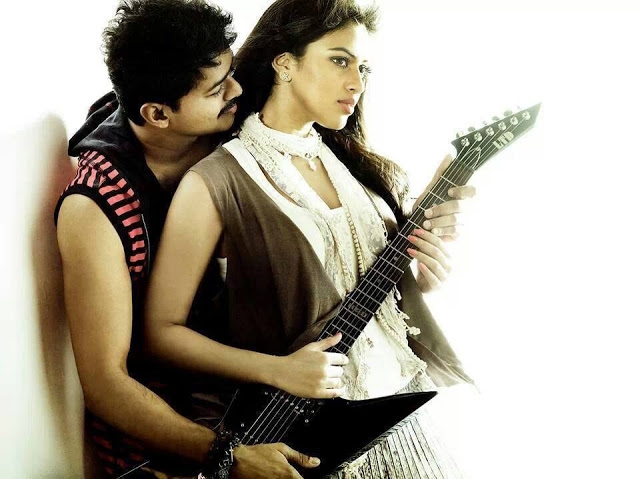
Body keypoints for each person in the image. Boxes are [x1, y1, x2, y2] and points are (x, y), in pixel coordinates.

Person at [145, 0, 476, 477]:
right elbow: (161, 333)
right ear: (284, 63)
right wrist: (274, 369)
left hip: (404, 421)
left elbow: (373, 293)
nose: (357, 83)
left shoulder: (358, 171)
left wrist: (424, 276)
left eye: (363, 67)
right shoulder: (215, 181)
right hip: (313, 443)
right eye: (340, 60)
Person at [55, 0, 328, 477]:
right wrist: (229, 456)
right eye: (217, 89)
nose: (237, 90)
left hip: (270, 384)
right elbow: (106, 384)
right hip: (173, 435)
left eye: (231, 73)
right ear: (158, 114)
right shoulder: (96, 208)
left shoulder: (232, 123)